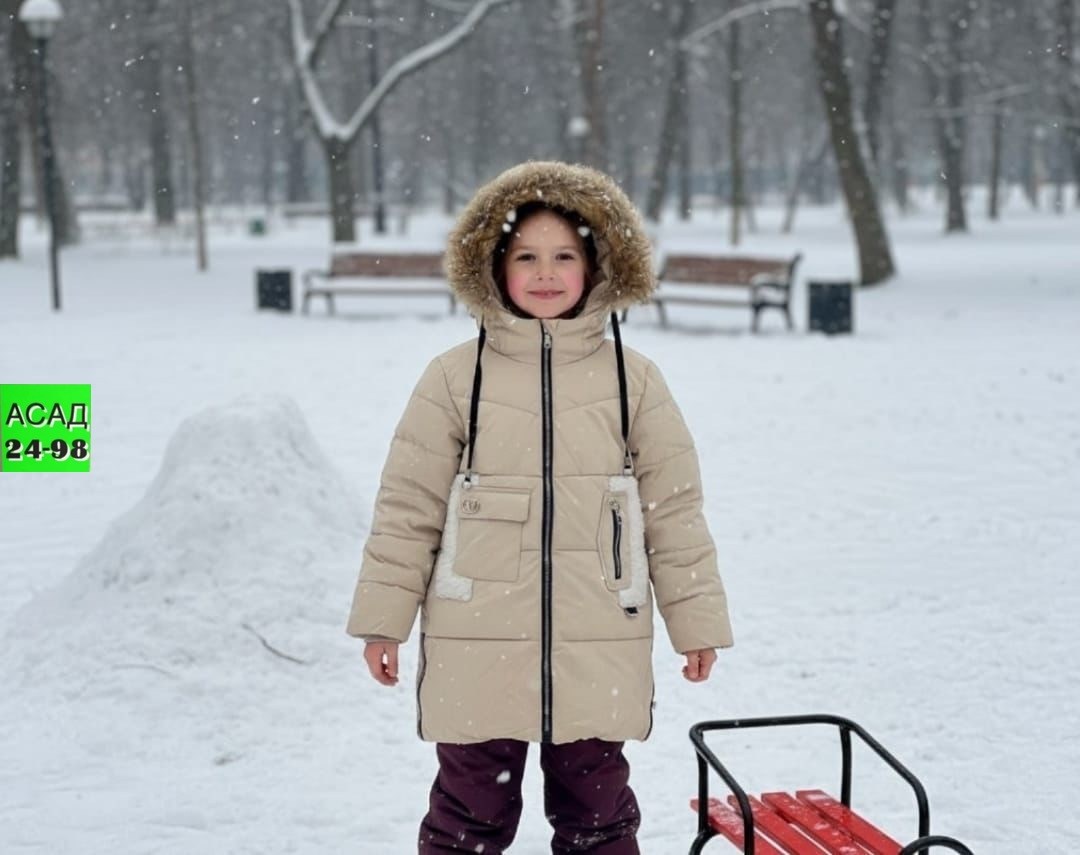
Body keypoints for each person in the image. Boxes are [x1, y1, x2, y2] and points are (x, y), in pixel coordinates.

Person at [346, 161, 733, 854]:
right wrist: (384, 620)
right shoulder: (454, 377)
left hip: (597, 637)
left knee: (599, 814)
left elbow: (674, 509)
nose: (546, 272)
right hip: (477, 635)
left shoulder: (633, 379)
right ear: (493, 267)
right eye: (526, 256)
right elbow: (409, 507)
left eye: (565, 256)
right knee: (467, 815)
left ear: (597, 266)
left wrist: (695, 620)